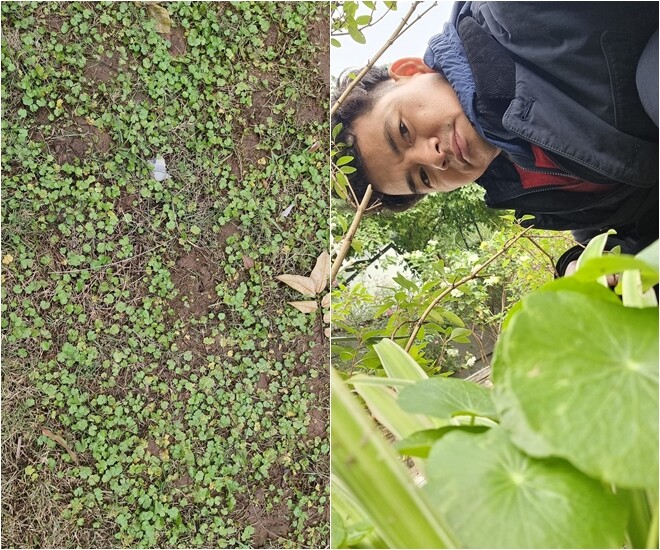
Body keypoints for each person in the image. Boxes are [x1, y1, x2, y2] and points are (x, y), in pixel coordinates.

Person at [332, 2, 658, 275]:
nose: (433, 158)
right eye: (423, 177)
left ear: (411, 70)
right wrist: (591, 264)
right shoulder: (518, 184)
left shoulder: (516, 13)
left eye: (403, 131)